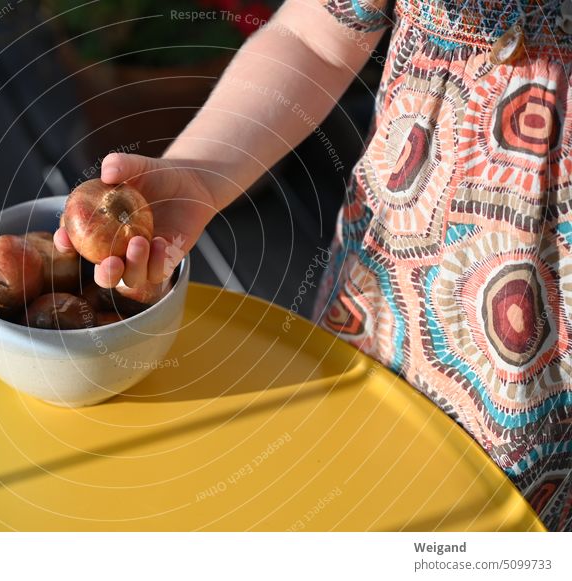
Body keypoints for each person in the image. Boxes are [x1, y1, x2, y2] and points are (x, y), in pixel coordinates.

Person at [54, 0, 572, 531]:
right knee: (353, 487)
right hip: (393, 287)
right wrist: (201, 174)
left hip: (555, 372)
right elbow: (316, 37)